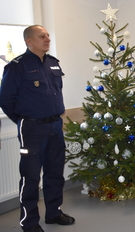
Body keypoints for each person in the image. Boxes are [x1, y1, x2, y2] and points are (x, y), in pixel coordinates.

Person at [0, 25, 75, 232]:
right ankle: (29, 222)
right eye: (42, 36)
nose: (47, 39)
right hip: (32, 128)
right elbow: (6, 100)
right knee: (31, 176)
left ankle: (54, 212)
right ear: (29, 41)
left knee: (55, 173)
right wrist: (25, 121)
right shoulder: (17, 66)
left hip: (55, 126)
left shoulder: (52, 63)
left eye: (48, 35)